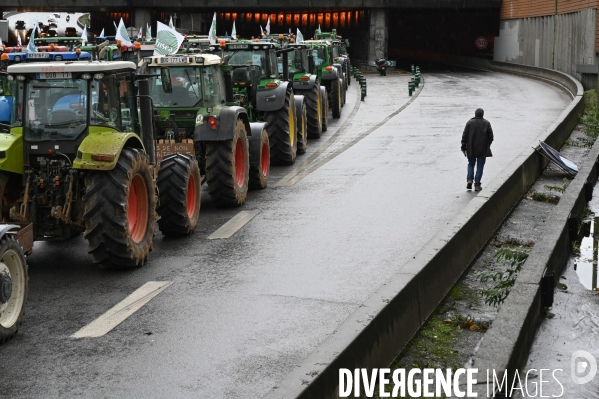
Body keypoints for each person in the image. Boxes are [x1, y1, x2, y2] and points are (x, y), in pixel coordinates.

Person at [461, 108, 493, 191]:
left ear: (475, 114)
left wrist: (463, 147)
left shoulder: (470, 123)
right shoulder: (486, 123)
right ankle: (477, 185)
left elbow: (464, 135)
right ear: (483, 115)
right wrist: (487, 145)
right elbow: (491, 137)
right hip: (482, 149)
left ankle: (469, 180)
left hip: (471, 148)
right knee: (480, 166)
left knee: (471, 164)